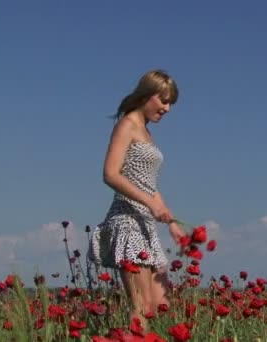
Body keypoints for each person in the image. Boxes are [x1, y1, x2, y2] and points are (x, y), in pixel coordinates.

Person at [88, 69, 187, 327]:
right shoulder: (127, 124)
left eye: (170, 103)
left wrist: (172, 222)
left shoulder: (147, 132)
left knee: (161, 306)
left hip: (146, 224)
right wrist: (150, 203)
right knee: (141, 307)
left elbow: (149, 185)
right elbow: (110, 174)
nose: (167, 109)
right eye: (164, 101)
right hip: (127, 221)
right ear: (148, 94)